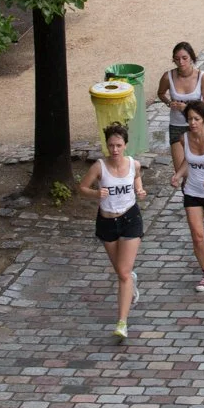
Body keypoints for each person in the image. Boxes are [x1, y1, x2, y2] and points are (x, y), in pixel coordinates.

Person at [77, 123, 146, 342]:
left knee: (123, 273)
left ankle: (122, 323)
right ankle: (130, 281)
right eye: (110, 146)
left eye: (118, 145)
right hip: (107, 222)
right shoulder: (99, 167)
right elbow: (82, 188)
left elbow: (136, 177)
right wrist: (96, 193)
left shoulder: (134, 164)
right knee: (121, 272)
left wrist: (140, 189)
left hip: (130, 219)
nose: (114, 150)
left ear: (125, 145)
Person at [169, 101, 204, 292]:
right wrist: (177, 175)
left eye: (196, 119)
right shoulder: (184, 138)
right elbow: (188, 161)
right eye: (189, 119)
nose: (192, 122)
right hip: (192, 191)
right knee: (197, 236)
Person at [157, 42, 204, 174]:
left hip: (197, 126)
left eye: (184, 58)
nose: (181, 62)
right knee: (181, 171)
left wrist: (187, 108)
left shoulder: (201, 77)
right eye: (177, 59)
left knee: (199, 169)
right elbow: (160, 93)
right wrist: (168, 102)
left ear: (192, 58)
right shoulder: (168, 76)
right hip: (176, 126)